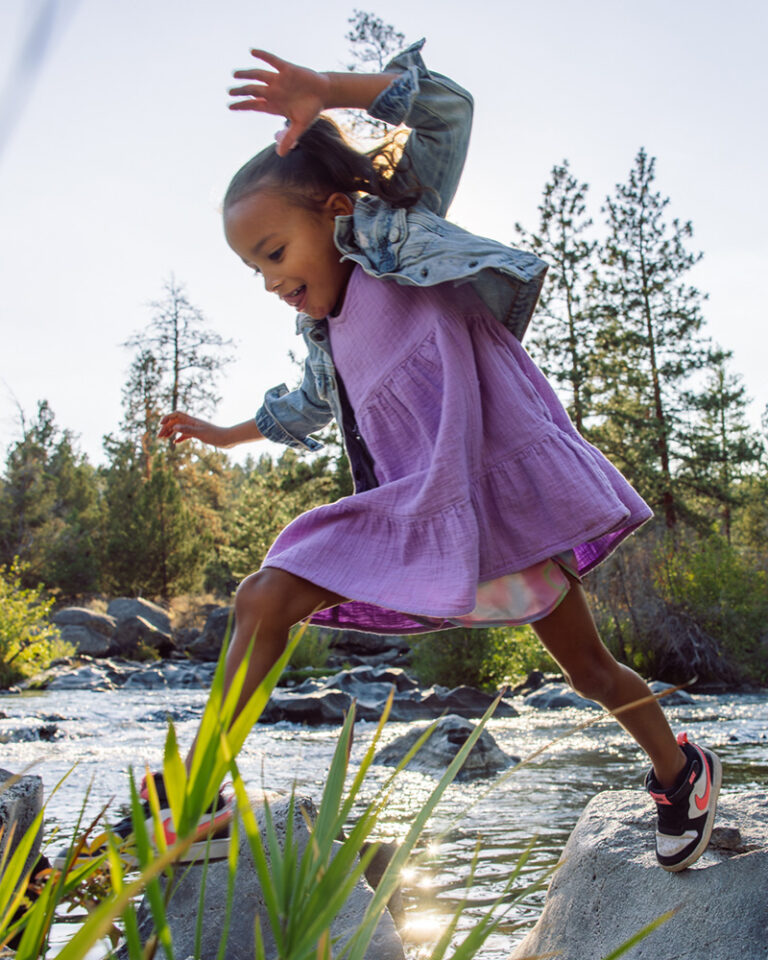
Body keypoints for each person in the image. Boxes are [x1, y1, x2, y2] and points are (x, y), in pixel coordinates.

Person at [149, 40, 719, 874]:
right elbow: (298, 409)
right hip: (418, 513)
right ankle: (197, 797)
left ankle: (679, 772)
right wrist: (220, 434)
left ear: (338, 208)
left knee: (592, 670)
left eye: (275, 253)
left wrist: (326, 91)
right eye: (252, 267)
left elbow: (447, 106)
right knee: (264, 595)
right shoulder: (325, 337)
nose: (268, 279)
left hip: (506, 500)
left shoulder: (393, 237)